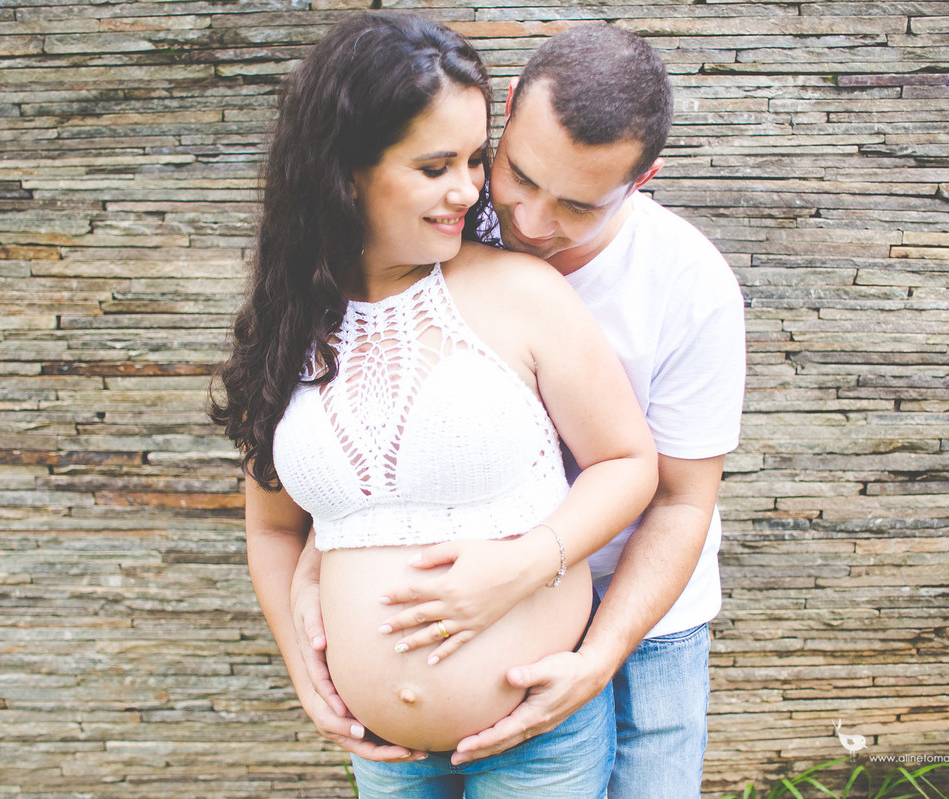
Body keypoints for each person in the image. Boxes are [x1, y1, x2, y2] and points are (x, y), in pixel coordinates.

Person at [290, 23, 746, 798]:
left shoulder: (690, 287)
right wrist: (324, 552)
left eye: (577, 204)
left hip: (642, 607)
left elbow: (677, 498)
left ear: (642, 179)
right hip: (466, 620)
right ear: (506, 115)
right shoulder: (445, 224)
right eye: (519, 176)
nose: (531, 221)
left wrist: (594, 654)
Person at [208, 13, 658, 798]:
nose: (470, 189)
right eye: (435, 165)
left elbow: (627, 463)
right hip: (384, 755)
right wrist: (301, 667)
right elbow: (273, 529)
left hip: (535, 738)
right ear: (346, 169)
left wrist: (533, 559)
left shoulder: (522, 293)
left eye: (477, 158)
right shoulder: (289, 324)